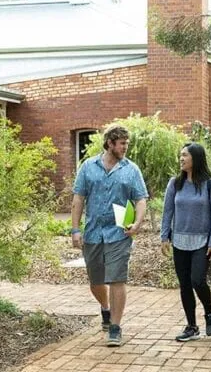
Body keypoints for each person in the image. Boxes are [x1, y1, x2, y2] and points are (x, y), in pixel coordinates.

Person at [71, 125, 148, 347]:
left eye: (126, 143)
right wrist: (76, 230)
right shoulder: (88, 167)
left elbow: (141, 199)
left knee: (117, 278)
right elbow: (78, 199)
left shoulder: (131, 169)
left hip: (119, 233)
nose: (125, 147)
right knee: (96, 280)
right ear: (110, 143)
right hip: (94, 232)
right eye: (122, 143)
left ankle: (115, 327)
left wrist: (137, 223)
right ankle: (105, 308)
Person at [160, 143, 211, 342]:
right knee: (185, 284)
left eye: (184, 155)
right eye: (180, 155)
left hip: (202, 241)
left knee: (198, 280)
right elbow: (167, 211)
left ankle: (209, 312)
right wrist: (164, 236)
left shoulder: (210, 185)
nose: (181, 159)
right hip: (179, 240)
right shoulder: (175, 183)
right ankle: (191, 326)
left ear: (195, 158)